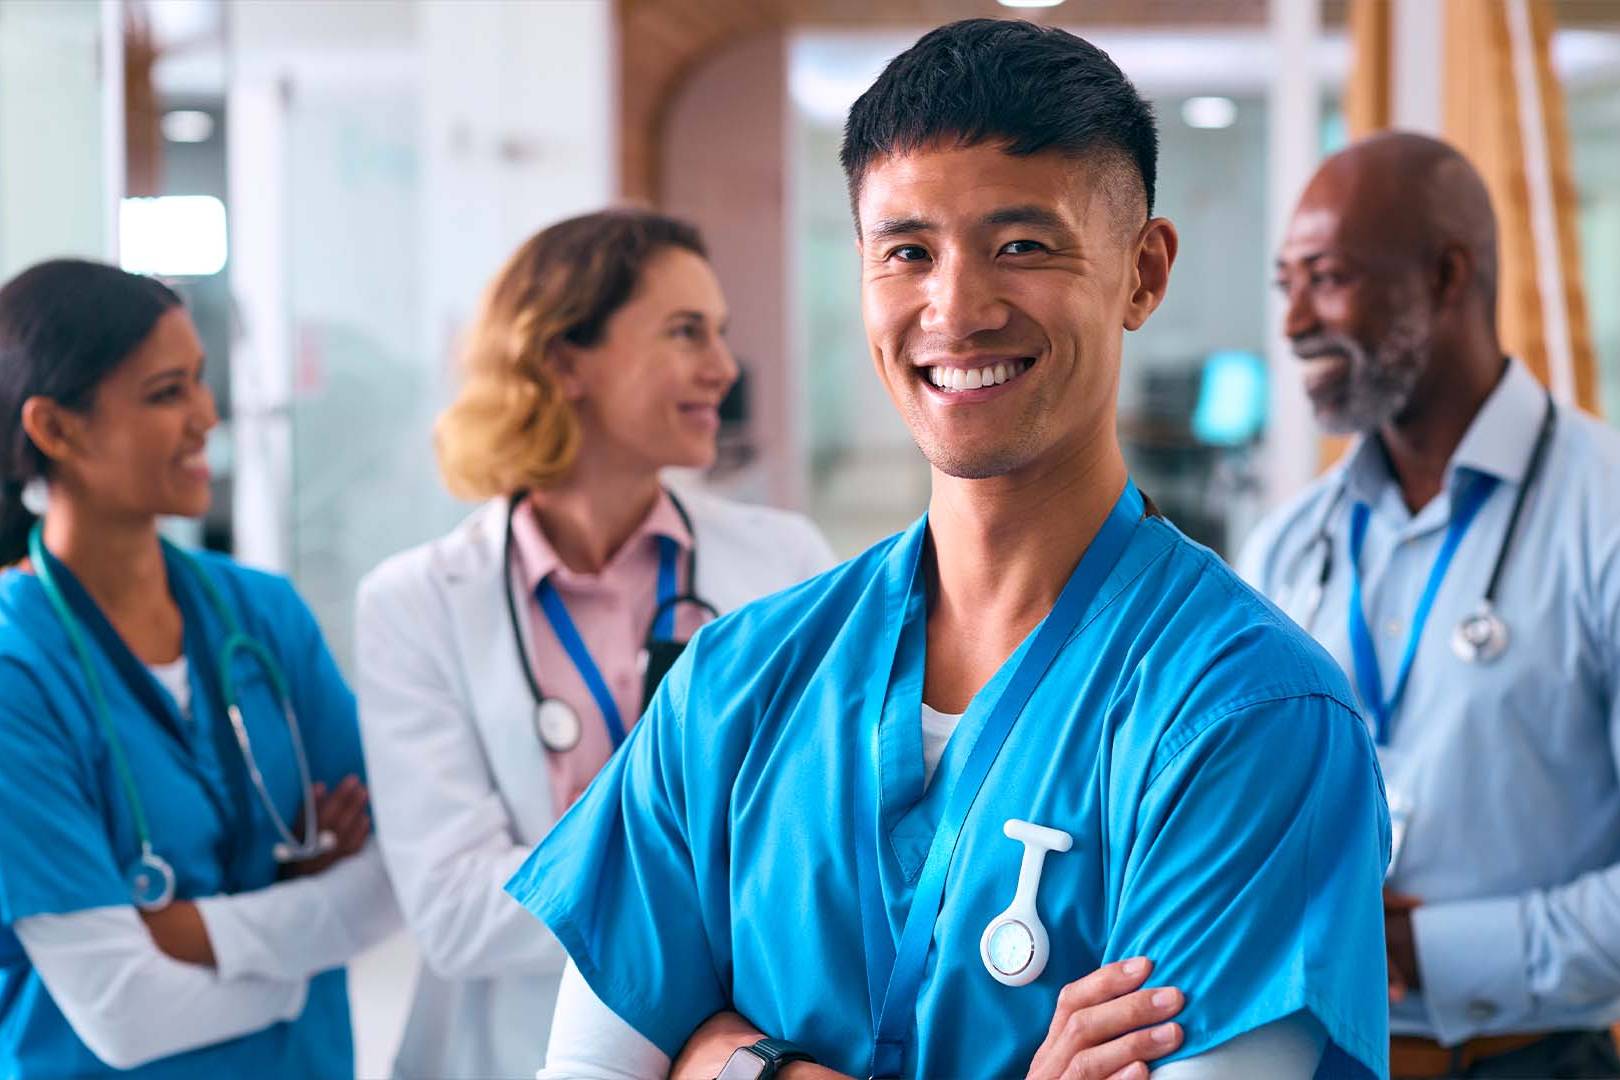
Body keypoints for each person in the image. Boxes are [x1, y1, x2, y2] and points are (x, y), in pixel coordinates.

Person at [507, 20, 1390, 1080]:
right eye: (908, 253)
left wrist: (735, 1064)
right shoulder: (735, 684)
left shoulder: (1248, 717)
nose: (957, 309)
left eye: (1022, 246)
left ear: (1143, 273)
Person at [355, 208, 835, 1078]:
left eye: (719, 332)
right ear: (564, 360)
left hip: (731, 1051)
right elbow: (456, 912)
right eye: (685, 332)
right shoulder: (416, 604)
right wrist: (700, 882)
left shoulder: (786, 565)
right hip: (508, 1054)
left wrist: (589, 883)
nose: (724, 367)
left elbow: (823, 848)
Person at [1241, 131, 1620, 1079]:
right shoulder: (1288, 547)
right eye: (1286, 284)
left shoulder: (1603, 516)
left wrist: (1433, 950)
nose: (1295, 323)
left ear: (1447, 277)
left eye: (1328, 279)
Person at [0, 259, 399, 1077]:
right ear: (55, 429)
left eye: (201, 382)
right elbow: (126, 1012)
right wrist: (304, 940)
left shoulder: (263, 616)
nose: (207, 416)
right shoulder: (17, 672)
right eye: (166, 393)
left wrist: (193, 931)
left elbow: (398, 871)